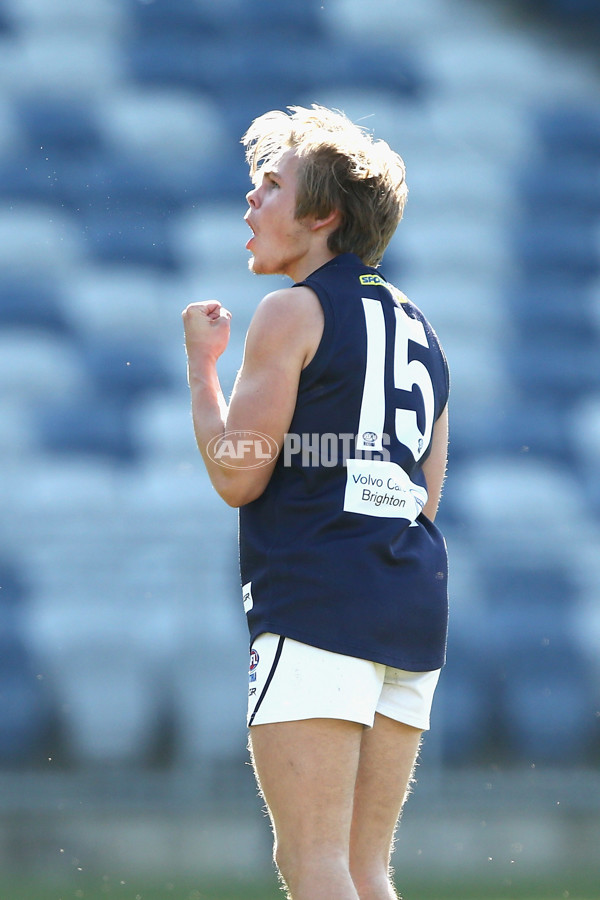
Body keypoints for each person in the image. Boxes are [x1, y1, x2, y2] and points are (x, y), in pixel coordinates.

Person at [182, 104, 449, 900]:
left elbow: (238, 475)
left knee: (314, 864)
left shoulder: (290, 310)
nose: (252, 202)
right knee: (366, 869)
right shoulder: (424, 330)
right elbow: (424, 500)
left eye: (270, 185)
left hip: (318, 602)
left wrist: (202, 369)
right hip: (410, 604)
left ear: (323, 215)